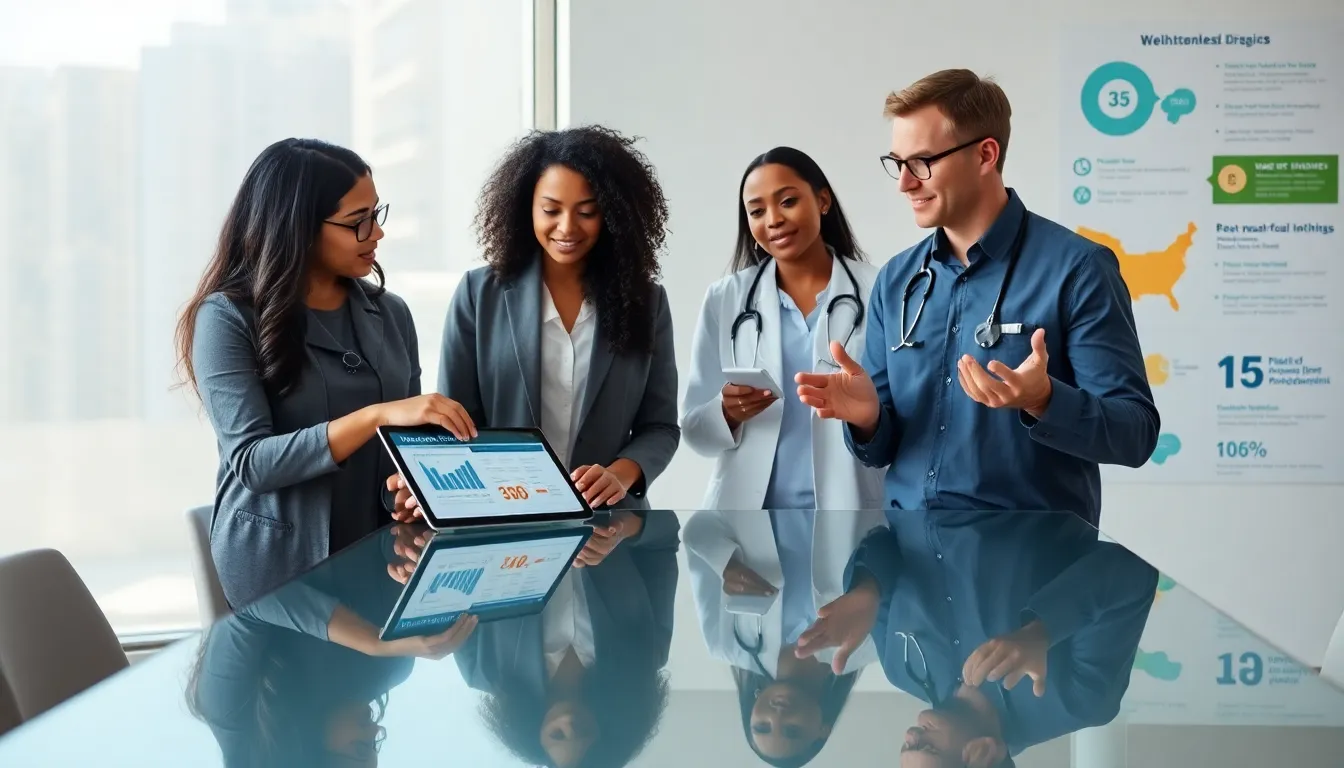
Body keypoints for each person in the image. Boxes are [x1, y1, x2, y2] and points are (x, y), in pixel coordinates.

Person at [795, 69, 1160, 526]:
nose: (904, 184)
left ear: (986, 154)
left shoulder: (1079, 270)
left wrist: (1045, 400)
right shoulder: (897, 280)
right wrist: (867, 418)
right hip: (913, 569)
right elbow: (882, 448)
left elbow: (1136, 435)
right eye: (897, 162)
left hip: (1030, 574)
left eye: (922, 162)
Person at [177, 138, 477, 608]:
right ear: (296, 228)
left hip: (383, 558)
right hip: (279, 572)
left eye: (377, 214)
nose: (376, 233)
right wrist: (375, 416)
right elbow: (253, 462)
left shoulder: (392, 313)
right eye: (357, 222)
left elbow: (408, 450)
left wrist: (407, 490)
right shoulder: (227, 317)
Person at [393, 125, 679, 561]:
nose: (567, 227)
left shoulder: (647, 302)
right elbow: (454, 422)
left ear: (615, 214)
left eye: (587, 211)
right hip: (502, 543)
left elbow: (660, 426)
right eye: (551, 210)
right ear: (525, 208)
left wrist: (622, 474)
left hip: (611, 535)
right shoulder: (478, 294)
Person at [792, 510, 1159, 765]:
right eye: (927, 749)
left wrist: (863, 590)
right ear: (982, 753)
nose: (910, 733)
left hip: (921, 457)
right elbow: (1132, 571)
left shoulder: (899, 669)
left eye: (905, 748)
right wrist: (1042, 630)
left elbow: (885, 543)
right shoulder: (1078, 701)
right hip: (1029, 465)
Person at [380, 511, 679, 768]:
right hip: (593, 471)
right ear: (608, 729)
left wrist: (415, 559)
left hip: (492, 498)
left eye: (557, 735)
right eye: (582, 731)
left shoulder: (485, 671)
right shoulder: (645, 654)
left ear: (535, 735)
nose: (568, 723)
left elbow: (446, 574)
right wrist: (624, 528)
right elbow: (663, 540)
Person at [681, 147, 886, 513]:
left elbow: (900, 418)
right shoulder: (726, 298)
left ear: (823, 201)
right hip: (748, 524)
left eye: (788, 201)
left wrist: (865, 414)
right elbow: (694, 430)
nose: (773, 220)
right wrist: (727, 413)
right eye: (757, 211)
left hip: (853, 511)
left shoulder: (880, 290)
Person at [683, 508, 886, 766]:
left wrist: (725, 563)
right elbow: (894, 540)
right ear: (823, 729)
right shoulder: (871, 647)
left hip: (768, 478)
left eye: (761, 727)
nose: (777, 716)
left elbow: (697, 527)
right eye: (792, 730)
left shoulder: (726, 643)